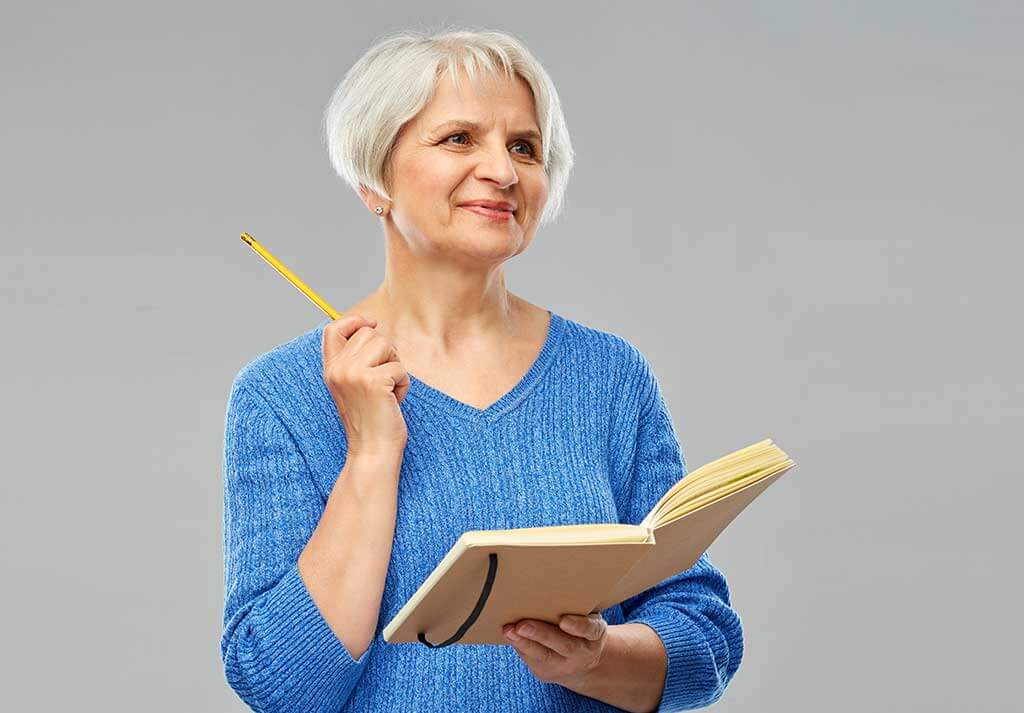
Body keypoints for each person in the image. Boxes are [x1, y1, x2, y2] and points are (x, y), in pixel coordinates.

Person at [220, 27, 743, 713]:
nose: (502, 170)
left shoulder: (609, 377)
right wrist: (373, 453)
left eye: (523, 146)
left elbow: (703, 640)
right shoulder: (281, 395)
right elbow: (283, 687)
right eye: (459, 138)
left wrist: (597, 658)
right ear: (374, 179)